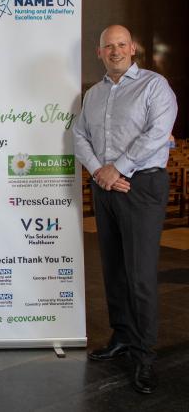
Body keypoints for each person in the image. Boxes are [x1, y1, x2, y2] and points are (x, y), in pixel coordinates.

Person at [73, 25, 177, 395]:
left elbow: (157, 133)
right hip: (105, 187)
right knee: (114, 268)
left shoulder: (154, 86)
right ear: (99, 52)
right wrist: (100, 172)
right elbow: (79, 135)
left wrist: (117, 168)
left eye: (121, 44)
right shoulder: (94, 94)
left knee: (140, 274)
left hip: (141, 186)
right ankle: (121, 336)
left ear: (133, 48)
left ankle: (144, 354)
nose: (115, 51)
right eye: (108, 46)